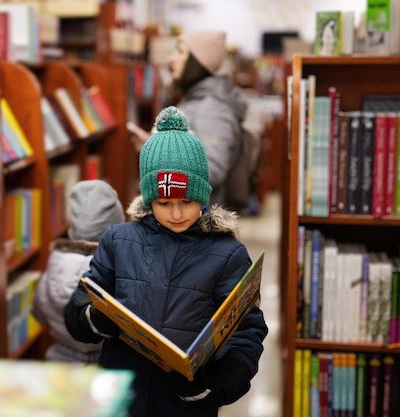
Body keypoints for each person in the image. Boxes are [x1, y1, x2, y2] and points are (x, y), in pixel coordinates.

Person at [65, 106, 268, 417]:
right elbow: (78, 306)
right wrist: (94, 318)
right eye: (164, 202)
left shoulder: (227, 255)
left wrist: (214, 385)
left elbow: (246, 333)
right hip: (121, 399)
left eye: (186, 201)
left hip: (185, 404)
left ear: (202, 194)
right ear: (148, 198)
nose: (176, 213)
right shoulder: (118, 241)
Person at [132, 30, 250, 211]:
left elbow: (212, 171)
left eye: (180, 52)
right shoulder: (197, 101)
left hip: (197, 223)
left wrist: (163, 153)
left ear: (197, 62)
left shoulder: (212, 108)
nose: (172, 59)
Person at [31, 179, 125, 363]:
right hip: (106, 365)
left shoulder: (54, 263)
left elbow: (39, 313)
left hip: (60, 366)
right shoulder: (117, 270)